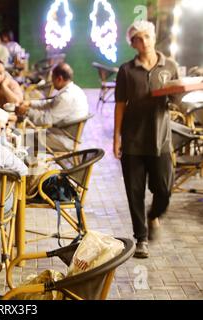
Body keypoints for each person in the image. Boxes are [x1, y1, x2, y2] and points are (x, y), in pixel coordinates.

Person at [113, 21, 178, 259]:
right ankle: (141, 237)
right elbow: (120, 105)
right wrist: (116, 137)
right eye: (138, 39)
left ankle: (154, 216)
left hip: (160, 139)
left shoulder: (169, 66)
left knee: (164, 189)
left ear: (154, 37)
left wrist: (175, 95)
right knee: (135, 191)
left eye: (147, 37)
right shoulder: (126, 70)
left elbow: (177, 99)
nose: (144, 42)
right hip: (132, 140)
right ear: (132, 43)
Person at [16, 62, 89, 152]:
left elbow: (45, 120)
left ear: (59, 79)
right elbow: (51, 103)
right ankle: (35, 162)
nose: (52, 82)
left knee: (20, 139)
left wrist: (26, 112)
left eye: (53, 79)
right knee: (27, 134)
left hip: (64, 140)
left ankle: (34, 164)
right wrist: (30, 103)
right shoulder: (74, 89)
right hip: (64, 134)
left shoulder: (66, 97)